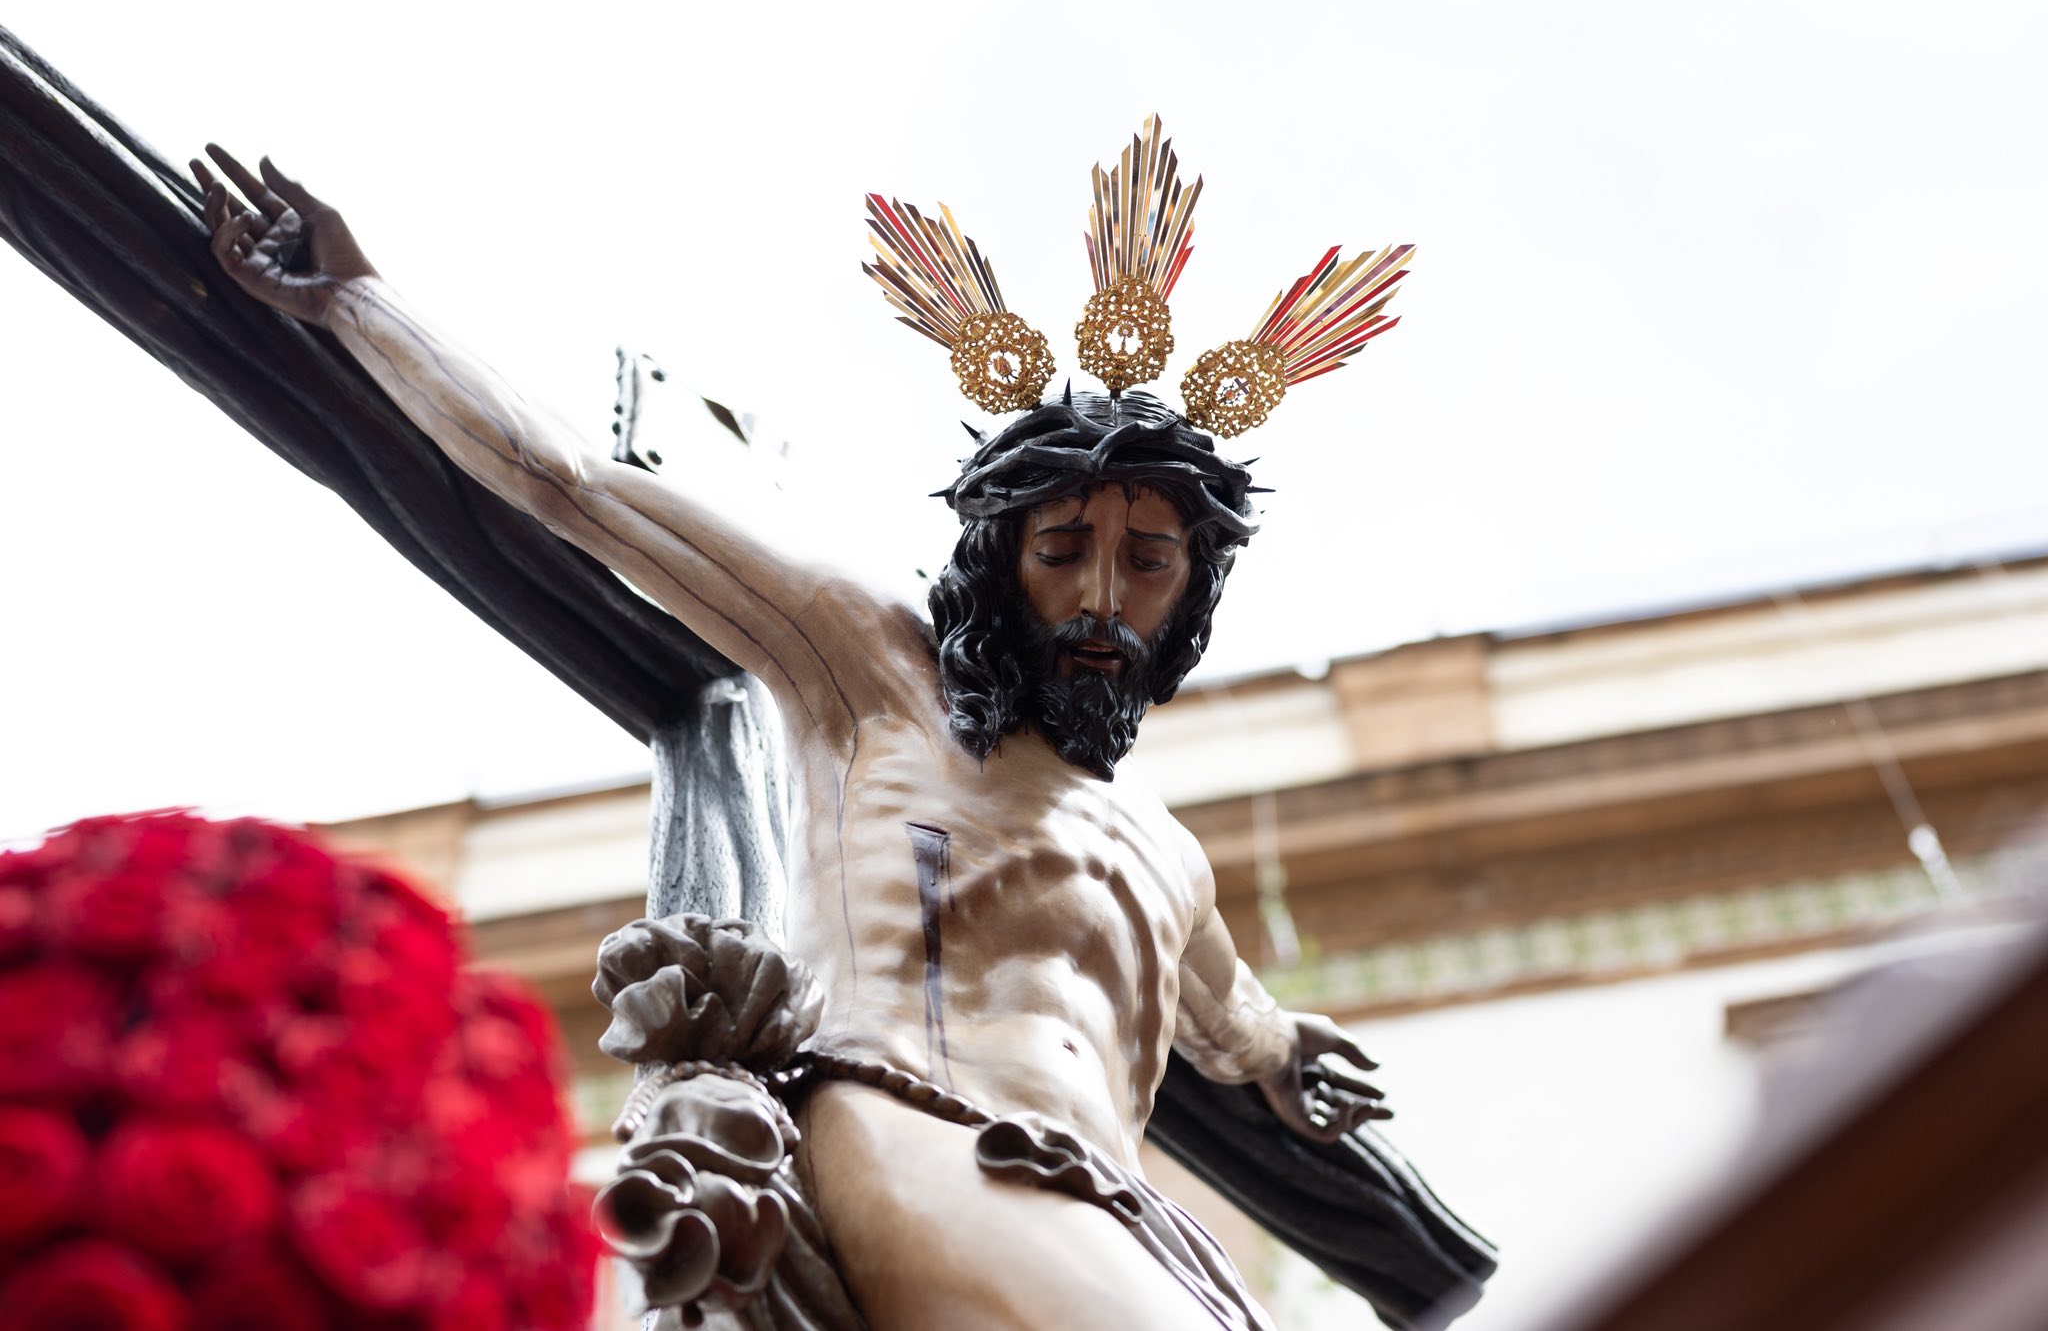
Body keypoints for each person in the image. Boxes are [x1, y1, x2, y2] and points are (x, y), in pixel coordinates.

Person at [192, 137, 1392, 1331]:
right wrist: (358, 302)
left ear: (1188, 592)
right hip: (926, 1127)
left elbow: (1235, 1022)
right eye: (1061, 550)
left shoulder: (1166, 856)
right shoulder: (873, 670)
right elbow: (568, 482)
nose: (1095, 598)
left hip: (1130, 1217)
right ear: (1000, 560)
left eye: (1144, 562)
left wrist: (1292, 1059)